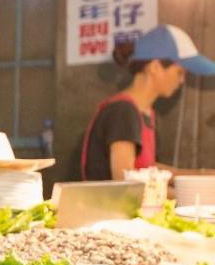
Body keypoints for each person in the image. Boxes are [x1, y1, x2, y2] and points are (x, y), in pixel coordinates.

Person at [80, 25, 215, 181]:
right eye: (180, 72)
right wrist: (189, 193)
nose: (182, 80)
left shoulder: (144, 112)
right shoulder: (122, 111)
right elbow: (125, 183)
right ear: (155, 67)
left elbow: (147, 170)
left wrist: (203, 176)